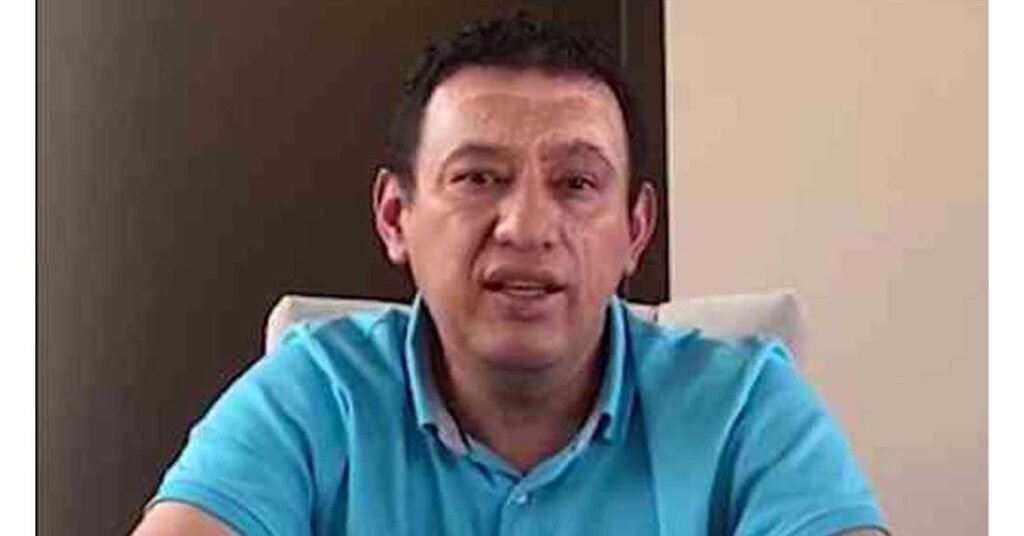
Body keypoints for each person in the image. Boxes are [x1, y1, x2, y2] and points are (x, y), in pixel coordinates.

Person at [133, 13, 889, 536]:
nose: (527, 227)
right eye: (478, 178)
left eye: (577, 183)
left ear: (635, 230)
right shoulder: (314, 393)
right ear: (396, 217)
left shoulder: (745, 405)